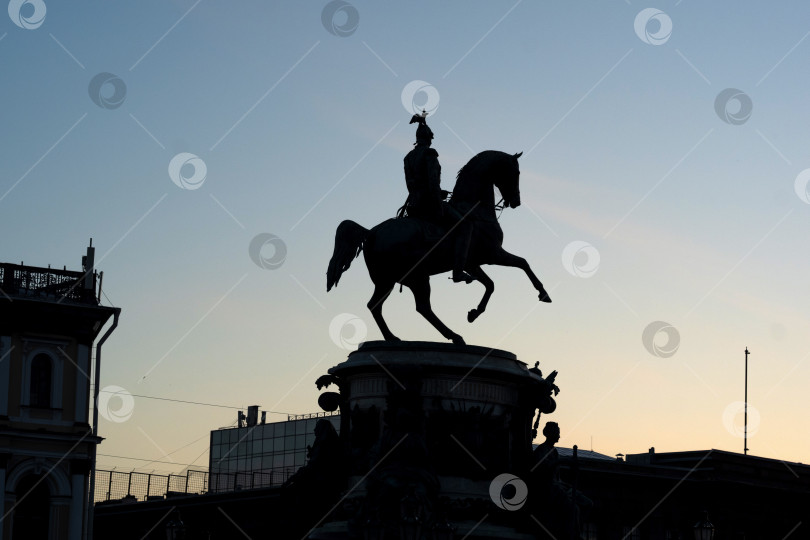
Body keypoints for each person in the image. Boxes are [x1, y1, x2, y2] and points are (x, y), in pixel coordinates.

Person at [402, 111, 473, 283]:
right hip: (429, 202)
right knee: (465, 225)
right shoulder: (429, 154)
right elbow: (432, 182)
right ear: (427, 138)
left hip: (414, 203)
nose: (432, 141)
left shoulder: (408, 157)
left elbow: (410, 183)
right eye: (431, 138)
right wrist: (438, 199)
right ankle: (457, 272)